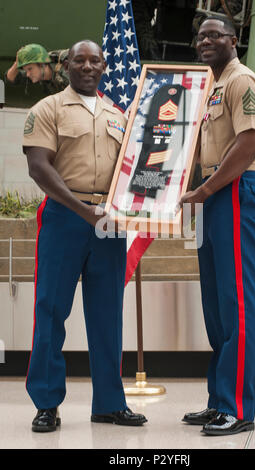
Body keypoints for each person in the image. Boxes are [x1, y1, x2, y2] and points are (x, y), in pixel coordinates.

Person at [22, 39, 147, 432]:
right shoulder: (48, 109)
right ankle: (46, 403)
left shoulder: (118, 114)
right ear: (67, 65)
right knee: (51, 312)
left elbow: (134, 170)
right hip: (65, 217)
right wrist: (82, 211)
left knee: (108, 315)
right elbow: (39, 167)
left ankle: (109, 403)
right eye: (80, 60)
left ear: (105, 65)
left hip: (108, 222)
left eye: (95, 60)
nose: (88, 66)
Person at [178, 16, 255, 436]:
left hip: (234, 190)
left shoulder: (241, 80)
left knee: (238, 305)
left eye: (215, 34)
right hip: (212, 194)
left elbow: (249, 142)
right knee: (215, 305)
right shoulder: (212, 86)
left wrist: (206, 188)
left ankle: (238, 408)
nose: (206, 41)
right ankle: (219, 400)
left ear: (234, 40)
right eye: (201, 36)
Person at [5, 43, 69, 94]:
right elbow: (12, 78)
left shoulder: (66, 74)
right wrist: (17, 63)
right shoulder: (40, 73)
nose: (28, 74)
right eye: (26, 70)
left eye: (30, 69)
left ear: (42, 64)